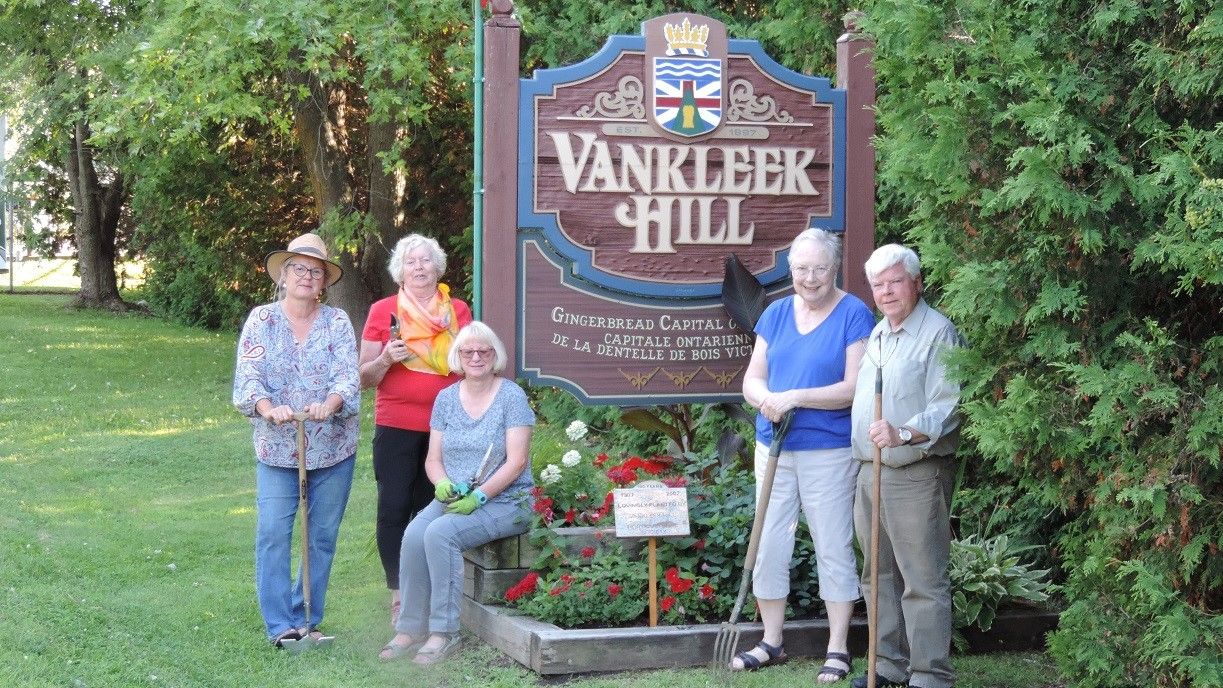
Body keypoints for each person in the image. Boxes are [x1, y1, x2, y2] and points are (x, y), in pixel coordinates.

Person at [738, 228, 875, 681]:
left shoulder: (854, 313)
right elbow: (752, 379)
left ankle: (838, 647)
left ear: (834, 269)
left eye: (819, 268)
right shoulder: (776, 313)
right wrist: (766, 399)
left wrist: (794, 396)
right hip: (773, 447)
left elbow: (852, 388)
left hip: (828, 450)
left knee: (831, 543)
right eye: (801, 268)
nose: (810, 278)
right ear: (790, 270)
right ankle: (771, 641)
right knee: (769, 541)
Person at [378, 321, 535, 665]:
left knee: (441, 534)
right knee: (414, 534)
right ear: (458, 356)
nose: (476, 357)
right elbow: (433, 459)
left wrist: (480, 497)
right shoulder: (446, 399)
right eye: (468, 352)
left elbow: (517, 462)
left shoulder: (511, 396)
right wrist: (441, 483)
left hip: (508, 500)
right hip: (454, 496)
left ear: (495, 355)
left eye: (483, 351)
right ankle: (410, 628)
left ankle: (443, 632)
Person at [232, 232, 360, 647]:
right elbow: (248, 377)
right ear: (283, 276)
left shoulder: (336, 322)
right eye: (299, 269)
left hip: (333, 447)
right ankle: (280, 625)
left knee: (320, 535)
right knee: (273, 531)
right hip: (277, 448)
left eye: (316, 271)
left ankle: (308, 618)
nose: (307, 276)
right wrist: (268, 408)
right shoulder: (262, 320)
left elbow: (348, 376)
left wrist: (330, 403)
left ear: (324, 282)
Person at [850, 244, 963, 688]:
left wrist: (902, 433)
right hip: (870, 471)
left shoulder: (939, 333)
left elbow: (947, 406)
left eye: (895, 281)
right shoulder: (879, 333)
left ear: (916, 282)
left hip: (915, 473)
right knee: (877, 576)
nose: (886, 291)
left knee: (922, 580)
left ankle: (929, 676)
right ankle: (887, 667)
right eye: (878, 285)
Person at [359, 234, 472, 624]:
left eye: (426, 260)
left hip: (445, 428)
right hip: (396, 424)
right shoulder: (383, 311)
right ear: (400, 271)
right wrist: (386, 359)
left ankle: (425, 594)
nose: (419, 267)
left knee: (432, 510)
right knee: (393, 508)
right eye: (411, 261)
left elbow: (472, 364)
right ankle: (399, 596)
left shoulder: (457, 310)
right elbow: (363, 378)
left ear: (437, 267)